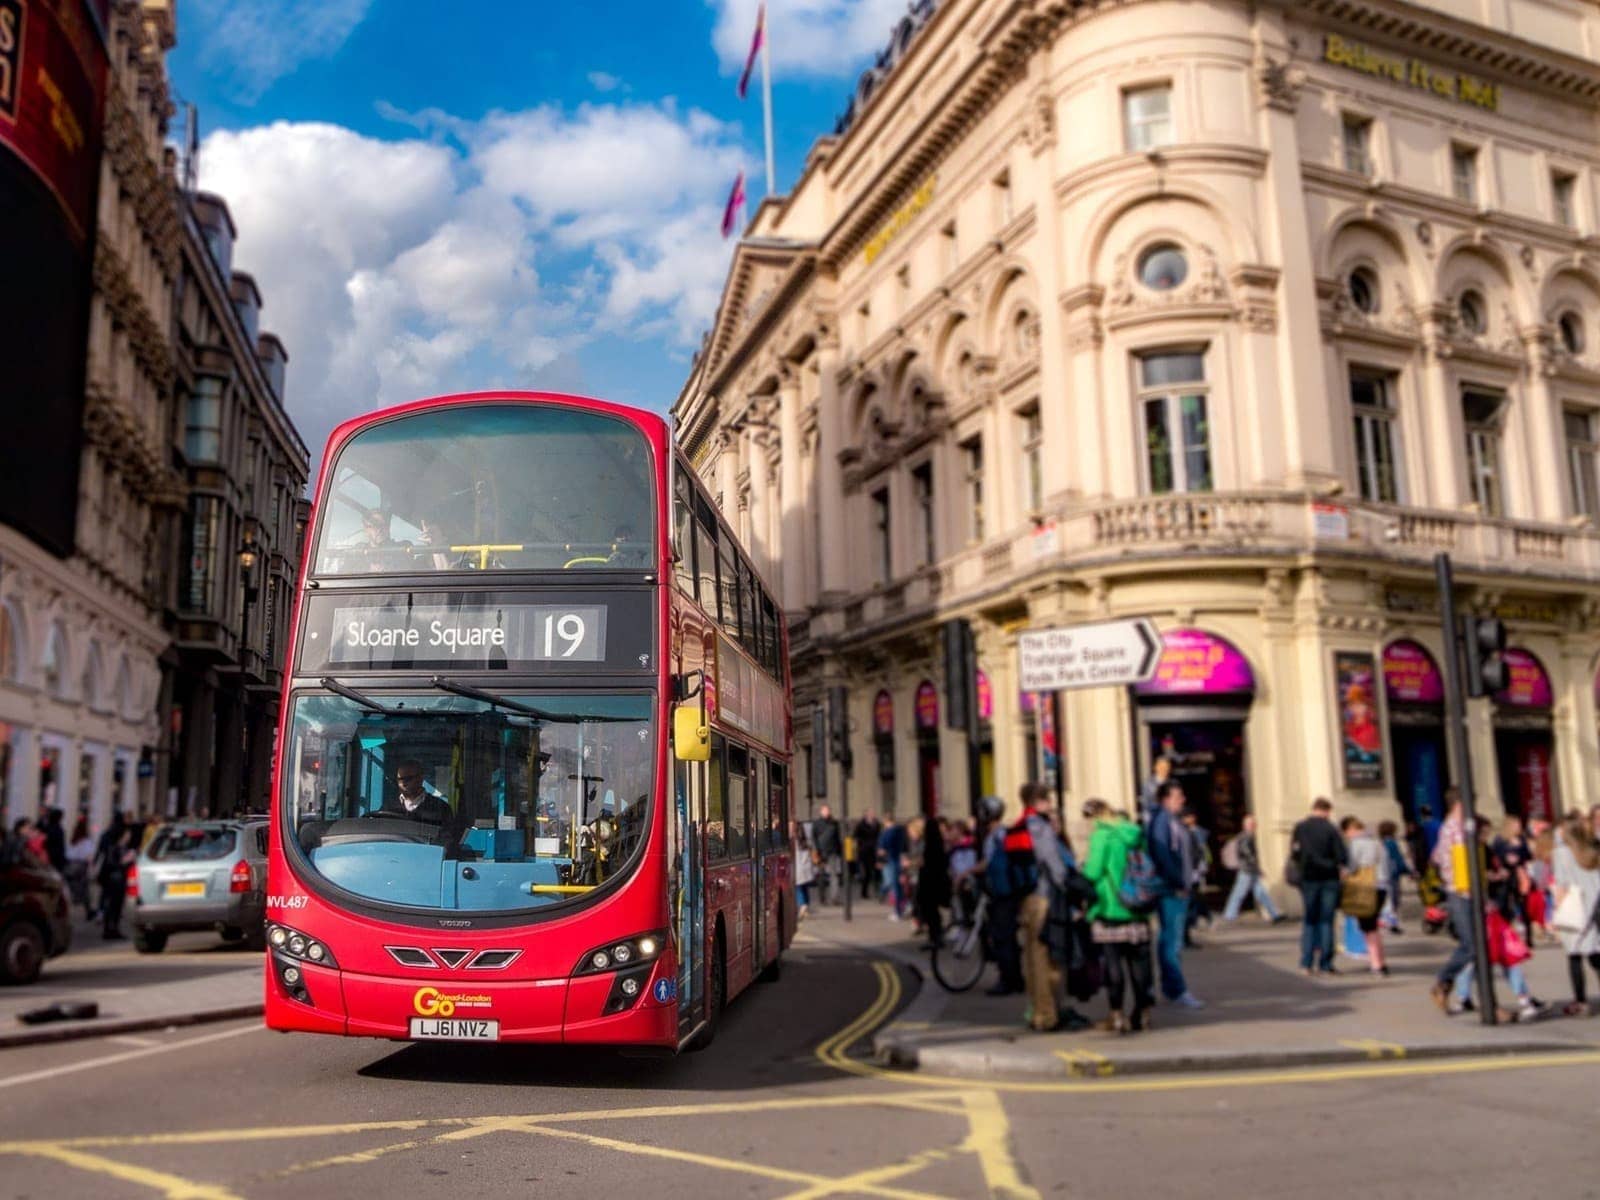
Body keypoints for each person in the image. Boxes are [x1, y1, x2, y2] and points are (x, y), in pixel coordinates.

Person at [1081, 798, 1154, 1033]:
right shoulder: (1134, 832)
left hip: (1111, 906)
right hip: (1138, 907)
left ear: (1094, 816)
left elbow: (1093, 872)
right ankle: (1142, 1014)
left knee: (1114, 966)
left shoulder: (1102, 835)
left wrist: (1082, 869)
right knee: (1140, 964)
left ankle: (1117, 1015)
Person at [1007, 783, 1070, 1032]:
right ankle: (1047, 1014)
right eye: (1048, 800)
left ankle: (1035, 1011)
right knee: (1047, 958)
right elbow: (1055, 865)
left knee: (1032, 958)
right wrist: (1070, 886)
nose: (1051, 805)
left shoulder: (1017, 825)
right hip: (1044, 896)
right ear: (1039, 802)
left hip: (1025, 898)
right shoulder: (1039, 827)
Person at [1147, 782, 1205, 1009]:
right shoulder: (1163, 821)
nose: (1182, 799)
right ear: (1165, 799)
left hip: (1177, 886)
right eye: (1177, 796)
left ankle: (1170, 986)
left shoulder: (1171, 821)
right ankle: (1175, 989)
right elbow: (1163, 854)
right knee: (1172, 940)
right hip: (1172, 889)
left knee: (1171, 939)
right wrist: (1179, 881)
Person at [1429, 794, 1477, 1012]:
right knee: (1472, 945)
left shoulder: (1447, 827)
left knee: (1475, 945)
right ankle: (1443, 980)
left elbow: (1437, 857)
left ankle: (1454, 989)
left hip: (1458, 890)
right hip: (1462, 891)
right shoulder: (1457, 828)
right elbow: (1461, 857)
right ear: (1460, 804)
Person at [1289, 798, 1347, 976]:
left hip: (1309, 878)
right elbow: (1342, 855)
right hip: (1329, 878)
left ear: (1313, 809)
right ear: (1327, 811)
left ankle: (1306, 962)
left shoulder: (1300, 827)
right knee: (1326, 921)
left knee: (1310, 920)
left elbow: (1295, 852)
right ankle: (1326, 963)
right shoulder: (1331, 829)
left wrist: (1303, 866)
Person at [1552, 812, 1600, 1017]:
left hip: (1575, 908)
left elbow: (1561, 885)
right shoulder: (1592, 850)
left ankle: (1580, 1001)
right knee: (1595, 953)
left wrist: (1557, 912)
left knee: (1574, 956)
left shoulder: (1561, 853)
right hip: (1594, 905)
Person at [977, 795, 1025, 996]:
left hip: (1001, 891)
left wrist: (965, 872)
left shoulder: (995, 836)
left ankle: (1006, 980)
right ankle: (1016, 979)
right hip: (1011, 891)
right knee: (1010, 937)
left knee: (1001, 937)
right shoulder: (1006, 833)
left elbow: (987, 863)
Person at [1341, 816, 1389, 977]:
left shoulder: (1356, 844)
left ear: (1351, 830)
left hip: (1364, 887)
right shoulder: (1377, 842)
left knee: (1368, 928)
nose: (1347, 836)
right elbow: (1386, 865)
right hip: (1381, 886)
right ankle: (1381, 961)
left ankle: (1376, 964)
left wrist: (1344, 874)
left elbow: (1352, 866)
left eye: (1346, 832)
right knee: (1374, 924)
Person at [1221, 814, 1282, 923]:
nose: (1253, 826)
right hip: (1247, 869)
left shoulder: (1245, 836)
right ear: (1245, 825)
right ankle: (1230, 915)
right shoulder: (1246, 837)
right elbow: (1248, 855)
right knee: (1240, 892)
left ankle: (1274, 914)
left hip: (1249, 869)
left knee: (1260, 892)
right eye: (1250, 824)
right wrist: (1258, 869)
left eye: (1253, 823)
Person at [93, 814, 134, 939]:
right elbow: (119, 858)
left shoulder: (105, 835)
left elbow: (99, 852)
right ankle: (113, 928)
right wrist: (127, 859)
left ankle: (107, 927)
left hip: (106, 873)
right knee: (116, 902)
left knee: (107, 900)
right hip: (117, 874)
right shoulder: (119, 840)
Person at [380, 760, 453, 825]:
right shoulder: (388, 807)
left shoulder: (441, 808)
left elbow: (448, 836)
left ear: (420, 778)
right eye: (400, 779)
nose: (404, 783)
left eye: (408, 778)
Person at [916, 816, 951, 950]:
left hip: (929, 883)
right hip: (937, 882)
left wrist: (922, 865)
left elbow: (928, 864)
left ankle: (935, 937)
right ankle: (936, 937)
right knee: (932, 912)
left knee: (930, 912)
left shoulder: (931, 844)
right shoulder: (938, 843)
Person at [1377, 819, 1414, 933]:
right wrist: (1409, 871)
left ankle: (1389, 921)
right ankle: (1392, 923)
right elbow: (1398, 859)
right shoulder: (1392, 843)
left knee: (1388, 900)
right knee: (1394, 900)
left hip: (1383, 874)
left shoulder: (1381, 843)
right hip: (1393, 875)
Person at [64, 816, 97, 918]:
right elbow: (89, 857)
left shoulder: (73, 840)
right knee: (84, 890)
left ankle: (69, 909)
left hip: (70, 866)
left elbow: (67, 854)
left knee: (73, 889)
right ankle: (89, 911)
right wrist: (92, 866)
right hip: (81, 867)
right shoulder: (86, 841)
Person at [877, 816, 908, 921]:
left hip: (891, 860)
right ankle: (903, 907)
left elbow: (882, 849)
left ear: (886, 822)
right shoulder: (902, 831)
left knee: (893, 885)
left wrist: (880, 859)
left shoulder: (887, 833)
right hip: (901, 859)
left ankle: (898, 912)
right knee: (899, 885)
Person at [811, 804, 843, 905]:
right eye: (825, 810)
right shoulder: (816, 824)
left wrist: (840, 851)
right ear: (821, 812)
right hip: (821, 853)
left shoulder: (834, 823)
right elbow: (813, 838)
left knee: (834, 875)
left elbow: (837, 838)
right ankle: (822, 898)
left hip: (832, 852)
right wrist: (816, 851)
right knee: (821, 876)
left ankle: (834, 898)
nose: (826, 812)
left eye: (828, 810)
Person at [852, 812, 882, 899]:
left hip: (874, 851)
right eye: (870, 815)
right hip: (864, 852)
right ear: (866, 816)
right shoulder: (861, 825)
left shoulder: (877, 825)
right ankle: (864, 892)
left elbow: (879, 835)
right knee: (866, 874)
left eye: (873, 815)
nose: (872, 816)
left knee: (877, 873)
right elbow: (855, 836)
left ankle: (878, 892)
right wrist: (860, 844)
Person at [793, 822, 817, 919]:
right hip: (806, 869)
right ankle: (806, 906)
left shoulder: (794, 842)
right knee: (805, 888)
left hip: (798, 869)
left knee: (798, 888)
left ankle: (803, 905)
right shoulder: (805, 841)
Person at [1139, 756, 1172, 824]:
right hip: (1154, 819)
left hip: (1170, 819)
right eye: (1161, 767)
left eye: (1166, 767)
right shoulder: (1148, 784)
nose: (1164, 769)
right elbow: (1146, 803)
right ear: (1156, 767)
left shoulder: (1173, 783)